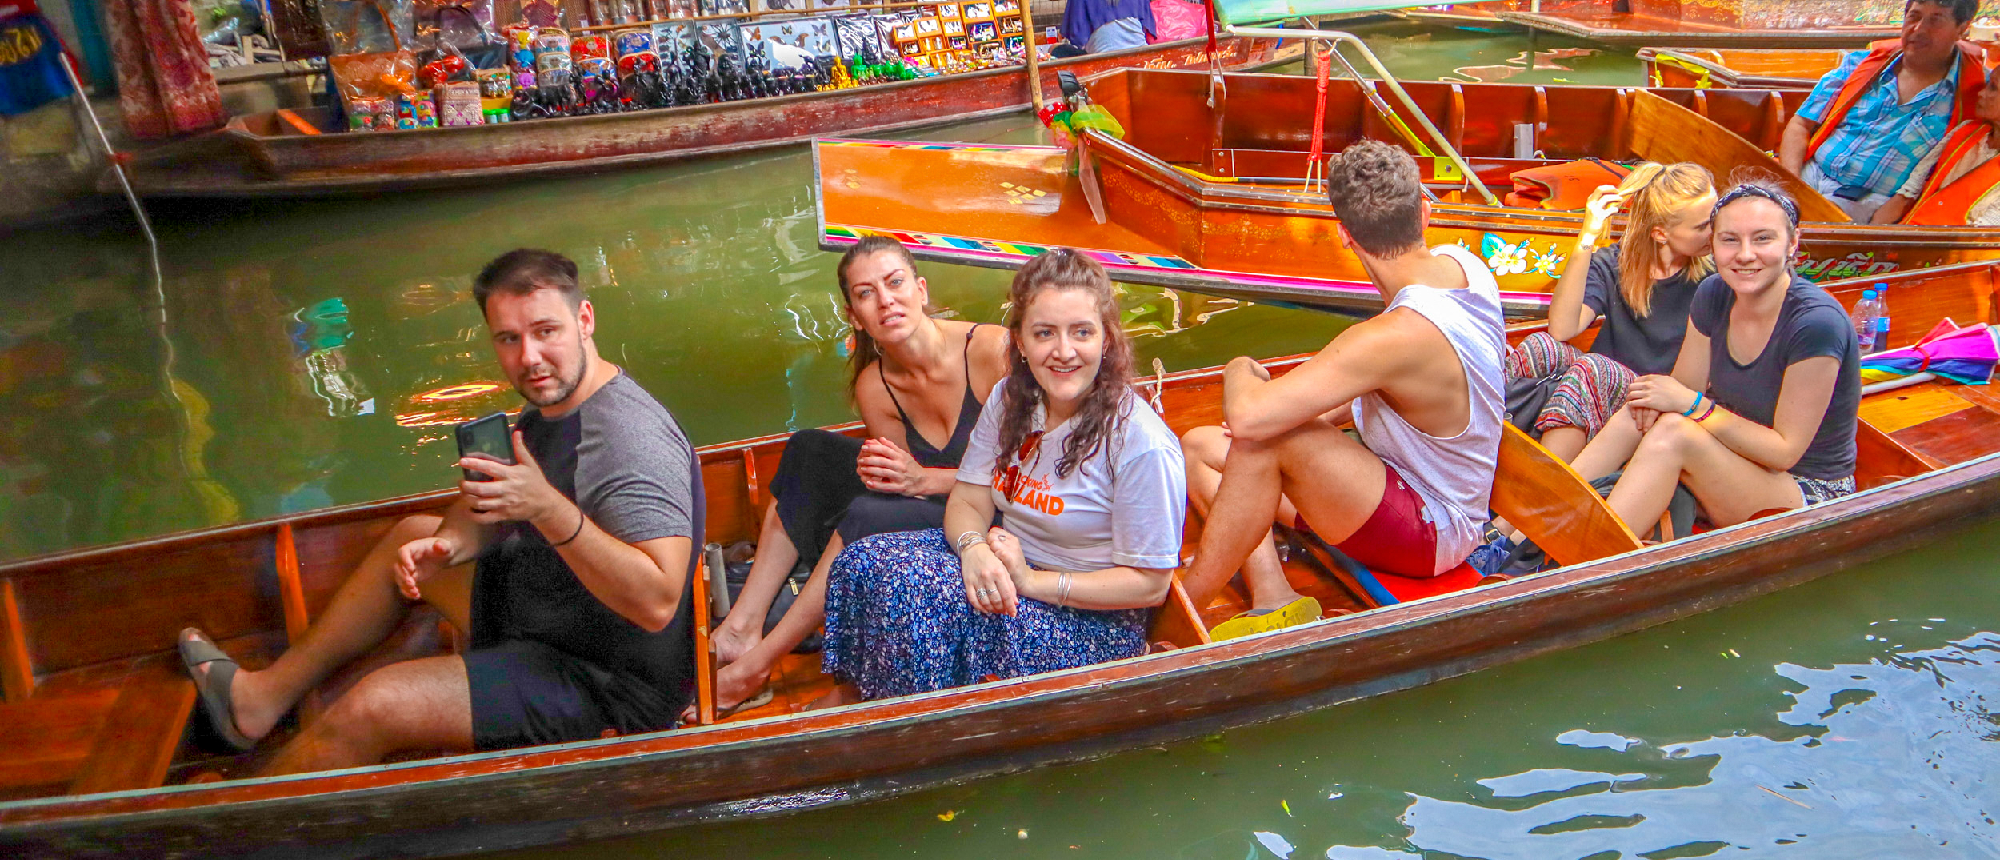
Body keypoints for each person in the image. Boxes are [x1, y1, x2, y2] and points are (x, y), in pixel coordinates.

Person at [177, 249, 702, 775]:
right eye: (509, 339)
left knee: (374, 704)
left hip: (608, 682)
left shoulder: (626, 443)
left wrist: (548, 510)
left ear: (584, 320)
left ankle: (225, 821)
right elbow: (485, 507)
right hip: (557, 607)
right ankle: (259, 700)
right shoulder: (555, 403)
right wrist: (449, 546)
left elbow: (657, 602)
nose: (530, 358)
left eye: (546, 331)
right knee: (412, 534)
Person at [818, 248, 1187, 701]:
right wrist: (973, 550)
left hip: (1089, 622)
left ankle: (917, 727)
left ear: (1106, 340)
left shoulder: (1140, 443)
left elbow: (1151, 585)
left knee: (921, 602)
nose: (1064, 351)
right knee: (862, 561)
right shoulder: (1012, 400)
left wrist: (1032, 582)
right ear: (1020, 342)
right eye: (1045, 333)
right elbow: (970, 501)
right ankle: (866, 693)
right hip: (1008, 567)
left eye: (1082, 333)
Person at [1179, 140, 1505, 638]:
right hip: (1392, 492)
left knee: (1267, 436)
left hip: (1435, 530)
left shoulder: (1394, 335)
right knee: (1199, 445)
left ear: (1345, 236)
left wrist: (1237, 369)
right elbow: (1401, 390)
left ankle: (1179, 613)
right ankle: (1273, 597)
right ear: (1423, 209)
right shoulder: (1464, 264)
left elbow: (1248, 417)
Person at [708, 236, 1010, 713]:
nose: (886, 300)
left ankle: (758, 664)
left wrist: (920, 481)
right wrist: (908, 481)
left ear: (922, 289)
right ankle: (742, 628)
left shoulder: (993, 351)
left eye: (895, 283)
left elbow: (1032, 474)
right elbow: (900, 484)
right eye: (867, 294)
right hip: (937, 506)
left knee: (868, 513)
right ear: (854, 316)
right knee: (808, 450)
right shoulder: (877, 385)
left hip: (999, 517)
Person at [1569, 181, 1861, 536]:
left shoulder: (1816, 323)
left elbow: (1784, 452)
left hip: (1806, 491)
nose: (1745, 254)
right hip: (1736, 458)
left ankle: (1584, 560)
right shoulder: (1714, 293)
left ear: (1793, 243)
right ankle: (1515, 536)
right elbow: (1684, 387)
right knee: (1643, 407)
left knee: (1676, 431)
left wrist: (1693, 406)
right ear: (1714, 244)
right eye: (1730, 240)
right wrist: (1667, 399)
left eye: (1763, 239)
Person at [1510, 162, 1716, 462]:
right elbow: (1563, 329)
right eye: (1702, 226)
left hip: (1658, 400)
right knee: (1540, 347)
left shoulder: (1715, 278)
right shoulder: (1616, 263)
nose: (1715, 232)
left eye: (1715, 219)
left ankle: (1543, 488)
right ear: (1660, 234)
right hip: (1600, 389)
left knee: (1593, 370)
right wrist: (1586, 238)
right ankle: (1487, 453)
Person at [1777, 0, 1983, 222]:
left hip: (1870, 207)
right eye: (1914, 17)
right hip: (1804, 178)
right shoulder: (1860, 65)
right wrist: (1792, 188)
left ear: (1962, 28)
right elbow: (1800, 125)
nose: (1918, 29)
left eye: (1935, 20)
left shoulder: (1977, 95)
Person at [1875, 64, 2000, 225]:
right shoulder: (1965, 132)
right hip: (1908, 236)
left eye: (1994, 88)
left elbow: (1979, 241)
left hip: (1947, 247)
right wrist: (1870, 241)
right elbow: (1907, 195)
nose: (1981, 93)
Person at [1061, 0, 1156, 54]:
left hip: (1102, 58)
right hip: (1141, 53)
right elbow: (1146, 26)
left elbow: (1076, 36)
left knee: (1057, 50)